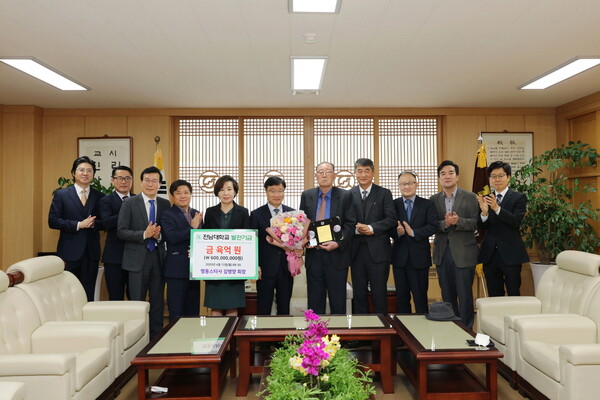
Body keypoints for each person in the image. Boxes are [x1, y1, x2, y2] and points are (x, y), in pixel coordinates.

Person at [117, 166, 170, 338]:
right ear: (140, 183)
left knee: (157, 303)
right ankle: (137, 340)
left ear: (159, 184)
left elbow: (166, 231)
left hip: (158, 258)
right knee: (137, 303)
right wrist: (144, 234)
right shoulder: (129, 203)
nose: (150, 184)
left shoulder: (164, 204)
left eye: (154, 181)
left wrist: (158, 235)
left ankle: (155, 339)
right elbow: (121, 231)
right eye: (147, 180)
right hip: (136, 260)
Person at [299, 162, 355, 315]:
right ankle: (314, 337)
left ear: (334, 175)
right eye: (320, 172)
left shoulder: (345, 195)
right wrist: (305, 241)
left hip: (337, 256)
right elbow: (302, 223)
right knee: (315, 302)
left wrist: (338, 243)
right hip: (314, 255)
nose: (324, 175)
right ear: (316, 175)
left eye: (327, 171)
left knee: (338, 302)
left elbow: (350, 225)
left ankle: (338, 337)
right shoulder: (307, 195)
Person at [430, 160, 479, 328]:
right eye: (443, 174)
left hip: (464, 254)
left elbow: (476, 223)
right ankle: (451, 328)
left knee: (465, 295)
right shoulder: (434, 199)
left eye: (450, 173)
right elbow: (431, 225)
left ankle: (466, 329)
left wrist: (458, 221)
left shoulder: (471, 197)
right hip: (442, 253)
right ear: (439, 179)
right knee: (447, 294)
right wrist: (445, 224)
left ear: (457, 177)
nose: (447, 176)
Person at [49, 156, 104, 301]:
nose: (85, 173)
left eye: (89, 170)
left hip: (91, 252)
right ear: (73, 173)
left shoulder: (100, 196)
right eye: (81, 170)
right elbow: (53, 221)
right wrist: (79, 225)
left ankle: (87, 323)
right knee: (67, 294)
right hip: (69, 252)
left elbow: (104, 222)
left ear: (93, 174)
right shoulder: (61, 195)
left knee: (88, 293)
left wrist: (94, 224)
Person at [349, 158, 396, 314]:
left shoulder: (384, 193)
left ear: (373, 173)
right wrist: (357, 229)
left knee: (379, 294)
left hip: (379, 253)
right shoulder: (349, 195)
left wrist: (371, 228)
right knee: (359, 294)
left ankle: (381, 333)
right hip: (356, 253)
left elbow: (391, 219)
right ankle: (360, 335)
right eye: (360, 171)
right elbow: (345, 222)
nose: (363, 174)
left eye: (367, 170)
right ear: (355, 173)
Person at [477, 161, 529, 296]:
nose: (497, 179)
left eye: (500, 175)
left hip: (511, 254)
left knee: (513, 292)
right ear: (489, 179)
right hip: (490, 255)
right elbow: (481, 227)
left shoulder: (519, 197)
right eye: (493, 176)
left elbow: (516, 221)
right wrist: (484, 214)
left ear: (508, 177)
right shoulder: (486, 198)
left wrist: (496, 208)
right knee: (494, 295)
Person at [202, 175, 250, 316]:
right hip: (214, 267)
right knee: (215, 308)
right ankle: (216, 338)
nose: (226, 193)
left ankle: (230, 339)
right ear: (217, 192)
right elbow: (205, 239)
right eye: (222, 190)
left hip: (235, 267)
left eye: (229, 189)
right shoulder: (210, 212)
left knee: (232, 308)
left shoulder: (243, 212)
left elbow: (248, 241)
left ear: (235, 191)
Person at [391, 171, 437, 314]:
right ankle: (403, 334)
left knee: (420, 299)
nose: (407, 186)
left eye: (410, 183)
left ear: (416, 184)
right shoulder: (393, 205)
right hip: (399, 259)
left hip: (419, 259)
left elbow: (433, 226)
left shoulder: (427, 204)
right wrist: (398, 232)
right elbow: (387, 227)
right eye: (403, 184)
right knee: (402, 300)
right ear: (399, 186)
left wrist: (414, 233)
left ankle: (421, 334)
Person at [250, 177, 295, 315]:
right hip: (265, 269)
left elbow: (296, 239)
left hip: (286, 268)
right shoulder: (256, 214)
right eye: (272, 191)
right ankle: (263, 336)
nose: (276, 195)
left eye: (280, 191)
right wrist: (255, 265)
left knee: (284, 308)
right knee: (263, 307)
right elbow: (252, 243)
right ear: (266, 192)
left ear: (284, 192)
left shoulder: (293, 214)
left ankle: (283, 336)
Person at [160, 180, 203, 322]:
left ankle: (192, 342)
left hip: (194, 270)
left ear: (191, 194)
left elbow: (202, 239)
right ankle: (175, 342)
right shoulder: (167, 214)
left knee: (193, 311)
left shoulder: (196, 213)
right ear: (172, 195)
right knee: (176, 312)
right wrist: (192, 228)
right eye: (178, 193)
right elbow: (172, 237)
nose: (183, 196)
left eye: (186, 192)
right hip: (176, 269)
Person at [99, 165, 133, 300]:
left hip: (136, 257)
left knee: (136, 297)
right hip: (114, 257)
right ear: (113, 181)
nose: (123, 181)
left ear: (132, 180)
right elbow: (106, 223)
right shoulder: (105, 201)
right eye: (119, 178)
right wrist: (127, 210)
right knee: (115, 297)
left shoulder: (139, 200)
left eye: (127, 178)